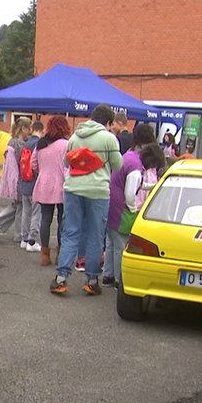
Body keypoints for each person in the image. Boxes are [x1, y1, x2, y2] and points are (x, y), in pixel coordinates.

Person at [50, 104, 122, 296]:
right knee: (95, 234)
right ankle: (91, 280)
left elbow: (67, 162)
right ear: (108, 122)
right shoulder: (109, 138)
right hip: (98, 191)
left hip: (73, 189)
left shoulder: (75, 136)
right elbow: (118, 164)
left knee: (71, 232)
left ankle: (61, 278)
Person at [102, 126, 166, 289]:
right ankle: (119, 280)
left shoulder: (129, 156)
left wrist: (150, 186)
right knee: (121, 246)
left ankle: (108, 276)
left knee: (111, 242)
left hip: (111, 204)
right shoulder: (137, 168)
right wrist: (131, 208)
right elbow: (130, 193)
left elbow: (137, 185)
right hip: (122, 210)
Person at [31, 115, 70, 266]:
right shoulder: (66, 145)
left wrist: (43, 171)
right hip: (62, 185)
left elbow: (33, 164)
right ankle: (60, 253)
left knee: (45, 219)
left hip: (44, 184)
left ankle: (44, 254)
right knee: (62, 220)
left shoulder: (41, 144)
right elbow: (69, 166)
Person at [0, 117, 31, 242]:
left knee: (17, 205)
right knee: (21, 207)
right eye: (29, 128)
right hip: (19, 179)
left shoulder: (12, 142)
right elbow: (15, 167)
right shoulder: (18, 144)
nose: (30, 131)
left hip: (17, 179)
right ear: (23, 129)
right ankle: (19, 234)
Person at [20, 120, 44, 252]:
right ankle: (32, 240)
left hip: (25, 181)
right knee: (36, 212)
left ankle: (24, 239)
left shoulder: (26, 144)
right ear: (41, 130)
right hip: (35, 182)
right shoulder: (38, 144)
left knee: (26, 211)